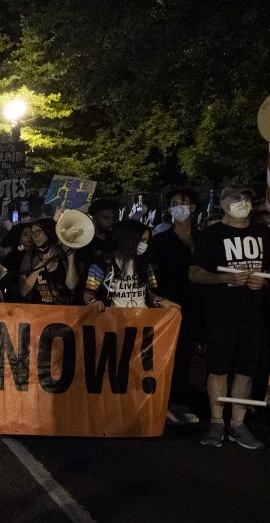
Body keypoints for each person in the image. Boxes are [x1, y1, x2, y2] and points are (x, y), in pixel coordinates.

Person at [189, 185, 270, 450]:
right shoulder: (211, 235)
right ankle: (216, 422)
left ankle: (238, 424)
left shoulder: (263, 233)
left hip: (254, 315)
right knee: (218, 369)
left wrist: (264, 282)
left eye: (247, 198)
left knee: (246, 372)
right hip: (221, 314)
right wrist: (224, 277)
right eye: (237, 199)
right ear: (223, 204)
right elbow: (195, 273)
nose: (243, 203)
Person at [149, 189, 203, 425]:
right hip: (170, 307)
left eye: (182, 203)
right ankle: (169, 402)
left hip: (197, 306)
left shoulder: (204, 239)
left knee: (187, 355)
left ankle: (181, 398)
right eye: (173, 204)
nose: (177, 207)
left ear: (192, 208)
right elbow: (149, 274)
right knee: (170, 354)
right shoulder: (161, 241)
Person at [83, 221, 163, 309]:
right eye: (141, 240)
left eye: (147, 241)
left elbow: (149, 293)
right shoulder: (101, 265)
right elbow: (88, 293)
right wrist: (93, 302)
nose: (145, 245)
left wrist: (160, 301)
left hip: (143, 319)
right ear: (128, 239)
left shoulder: (145, 265)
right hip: (114, 320)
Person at [19, 218, 78, 304]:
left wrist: (71, 257)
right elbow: (23, 291)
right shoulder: (30, 256)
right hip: (37, 312)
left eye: (38, 232)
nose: (34, 236)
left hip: (61, 312)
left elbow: (71, 285)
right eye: (32, 233)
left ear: (48, 231)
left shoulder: (63, 255)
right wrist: (38, 269)